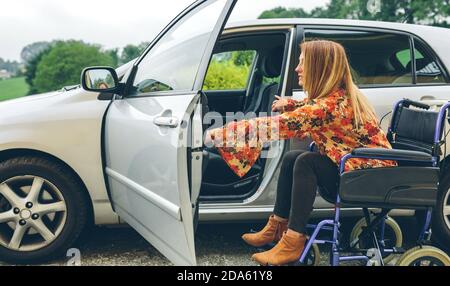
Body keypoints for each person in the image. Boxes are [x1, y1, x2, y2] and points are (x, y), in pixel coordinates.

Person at [205, 39, 397, 266]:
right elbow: (311, 106)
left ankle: (293, 240)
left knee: (307, 161)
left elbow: (276, 126)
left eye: (302, 63)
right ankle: (278, 226)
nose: (297, 68)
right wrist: (290, 104)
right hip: (357, 168)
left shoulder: (329, 108)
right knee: (292, 157)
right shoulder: (335, 98)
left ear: (319, 68)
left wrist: (222, 133)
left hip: (369, 176)